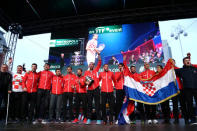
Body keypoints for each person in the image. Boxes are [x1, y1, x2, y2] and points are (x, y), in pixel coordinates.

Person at [175, 57, 197, 125]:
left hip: (196, 88)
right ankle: (193, 119)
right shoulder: (181, 70)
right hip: (187, 90)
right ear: (183, 62)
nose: (188, 62)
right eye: (186, 61)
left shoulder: (195, 69)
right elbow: (171, 71)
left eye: (188, 60)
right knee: (189, 105)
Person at [84, 53, 102, 124]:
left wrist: (99, 54)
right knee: (89, 105)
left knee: (97, 104)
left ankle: (98, 119)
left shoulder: (96, 70)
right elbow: (85, 81)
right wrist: (87, 83)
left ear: (93, 66)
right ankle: (89, 119)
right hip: (90, 90)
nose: (91, 65)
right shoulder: (86, 72)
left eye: (92, 64)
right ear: (89, 65)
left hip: (96, 89)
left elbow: (100, 62)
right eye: (90, 64)